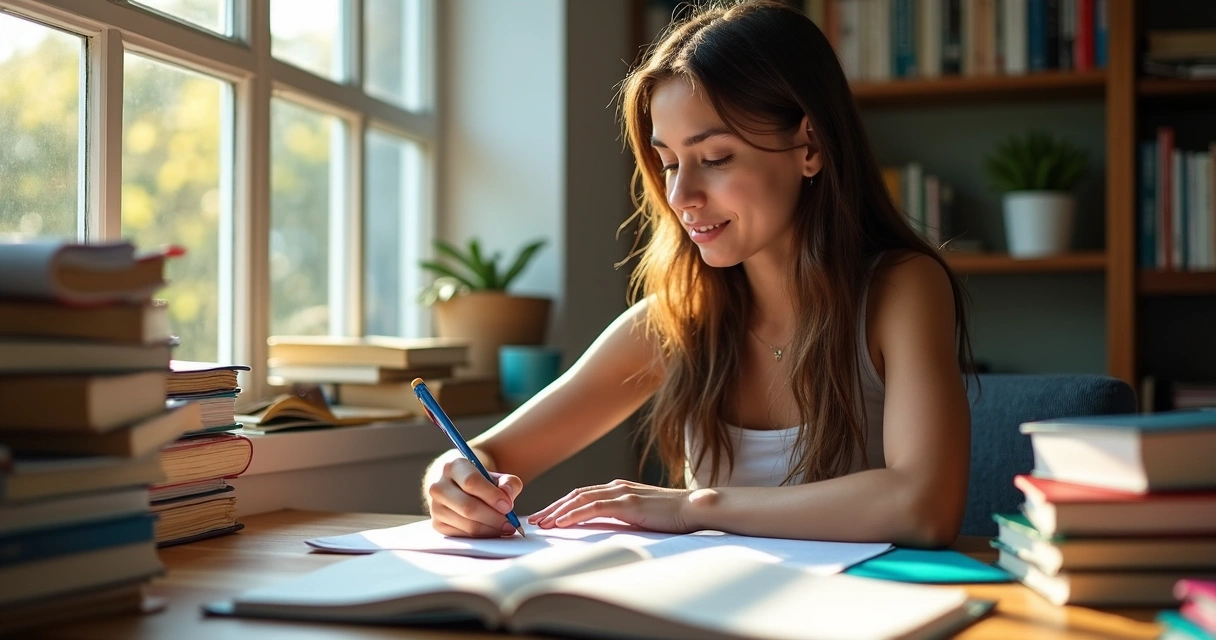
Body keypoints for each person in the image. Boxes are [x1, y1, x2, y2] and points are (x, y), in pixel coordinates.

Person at [422, 0, 975, 548]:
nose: (681, 197)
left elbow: (923, 506)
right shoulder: (677, 317)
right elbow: (490, 454)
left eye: (714, 158)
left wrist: (694, 506)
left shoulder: (902, 289)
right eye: (668, 163)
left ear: (810, 146)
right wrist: (453, 478)